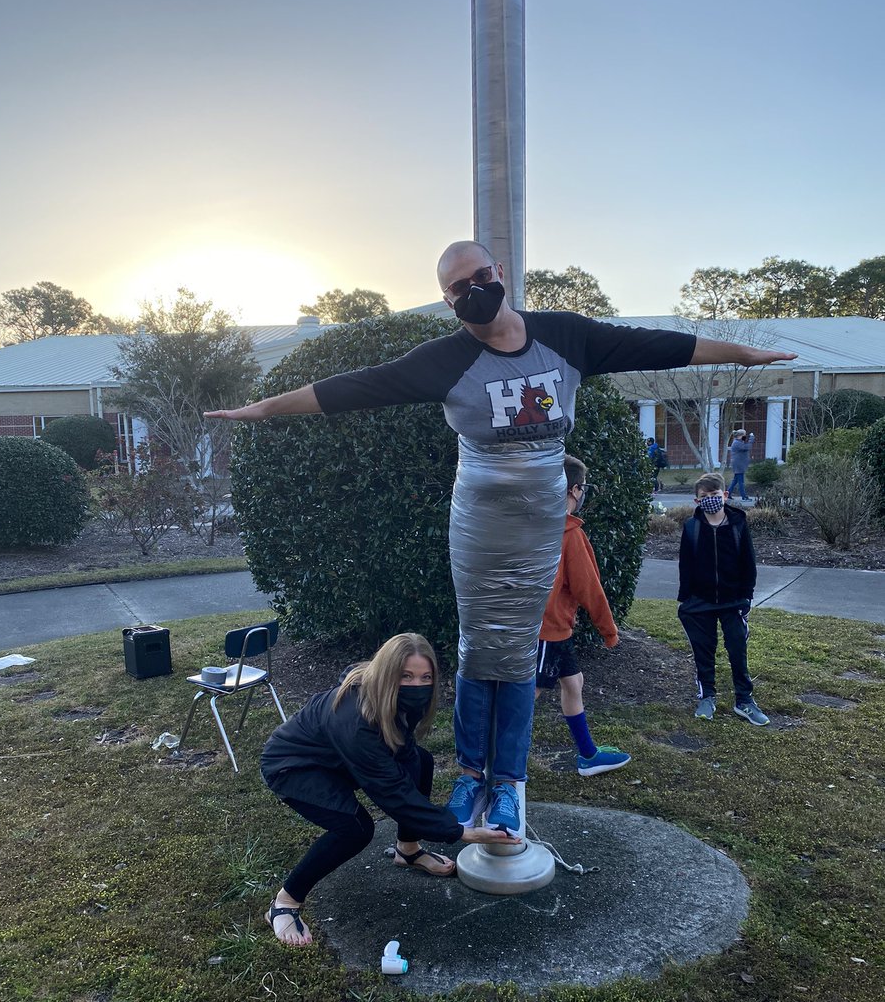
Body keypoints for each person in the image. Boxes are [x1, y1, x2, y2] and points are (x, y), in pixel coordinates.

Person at [207, 241, 795, 835]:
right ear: (448, 300)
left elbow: (663, 345)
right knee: (475, 647)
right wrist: (264, 409)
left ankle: (508, 784)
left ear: (501, 273)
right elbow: (356, 387)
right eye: (458, 288)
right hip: (479, 522)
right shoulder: (446, 358)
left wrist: (745, 354)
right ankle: (470, 775)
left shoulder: (565, 336)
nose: (473, 291)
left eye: (480, 276)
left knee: (518, 650)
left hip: (540, 519)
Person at [258, 633, 518, 947]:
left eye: (425, 677)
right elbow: (392, 791)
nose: (417, 685)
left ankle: (407, 850)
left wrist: (435, 823)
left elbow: (403, 756)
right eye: (406, 676)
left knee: (420, 761)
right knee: (355, 829)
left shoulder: (393, 696)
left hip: (338, 758)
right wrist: (460, 832)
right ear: (387, 673)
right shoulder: (355, 719)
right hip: (294, 766)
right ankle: (285, 902)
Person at [535, 454, 631, 776]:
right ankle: (494, 762)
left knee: (573, 683)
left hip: (552, 628)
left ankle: (588, 755)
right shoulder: (569, 534)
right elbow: (589, 588)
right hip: (547, 631)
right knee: (525, 697)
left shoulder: (533, 525)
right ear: (575, 490)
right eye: (583, 487)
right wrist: (609, 631)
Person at [677, 472, 769, 726]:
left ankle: (744, 700)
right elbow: (686, 565)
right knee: (703, 650)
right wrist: (685, 598)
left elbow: (748, 562)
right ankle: (707, 696)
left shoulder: (738, 524)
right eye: (704, 496)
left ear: (725, 495)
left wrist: (747, 596)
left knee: (737, 649)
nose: (710, 499)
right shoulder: (692, 527)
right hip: (700, 601)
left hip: (733, 600)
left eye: (715, 494)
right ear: (697, 500)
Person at [727, 429, 755, 500]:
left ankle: (728, 494)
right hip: (738, 465)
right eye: (744, 435)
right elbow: (747, 447)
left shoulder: (738, 442)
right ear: (740, 436)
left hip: (738, 464)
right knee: (741, 482)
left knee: (735, 481)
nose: (745, 437)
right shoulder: (737, 443)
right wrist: (751, 438)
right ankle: (744, 496)